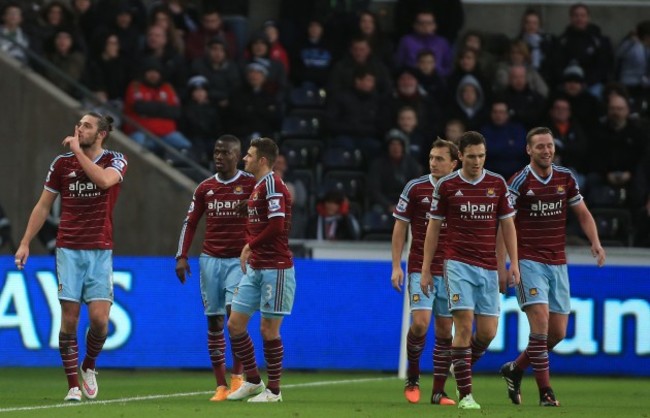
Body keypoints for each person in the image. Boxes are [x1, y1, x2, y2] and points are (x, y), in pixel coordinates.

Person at [14, 112, 127, 402]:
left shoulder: (116, 160)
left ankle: (89, 364)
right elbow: (42, 206)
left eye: (86, 126)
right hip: (69, 249)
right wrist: (25, 242)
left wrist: (78, 152)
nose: (79, 129)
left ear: (101, 134)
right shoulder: (61, 164)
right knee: (70, 319)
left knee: (100, 320)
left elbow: (103, 181)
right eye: (78, 125)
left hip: (100, 249)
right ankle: (72, 385)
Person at [498, 126, 606, 407]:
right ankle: (546, 393)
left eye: (549, 145)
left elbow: (582, 212)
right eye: (540, 146)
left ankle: (516, 368)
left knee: (558, 333)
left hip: (558, 262)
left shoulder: (565, 177)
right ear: (529, 150)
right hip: (528, 260)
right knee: (542, 326)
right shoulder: (519, 182)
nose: (546, 150)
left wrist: (595, 241)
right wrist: (505, 264)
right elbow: (504, 224)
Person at [421, 130, 520, 410]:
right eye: (472, 156)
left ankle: (459, 363)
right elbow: (433, 228)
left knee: (487, 332)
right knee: (463, 325)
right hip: (457, 264)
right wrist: (427, 268)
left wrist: (513, 264)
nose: (477, 161)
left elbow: (508, 226)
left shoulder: (497, 184)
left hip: (488, 267)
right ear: (460, 156)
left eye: (482, 156)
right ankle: (466, 395)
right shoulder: (448, 186)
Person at [174, 135, 256, 402]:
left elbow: (272, 214)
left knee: (234, 319)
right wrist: (181, 256)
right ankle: (220, 385)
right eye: (216, 151)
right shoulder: (205, 188)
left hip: (238, 261)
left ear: (237, 155)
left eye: (225, 152)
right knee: (214, 321)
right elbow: (191, 222)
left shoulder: (251, 185)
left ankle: (237, 379)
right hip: (210, 261)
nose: (219, 156)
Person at [226, 137, 296, 403]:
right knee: (235, 324)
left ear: (263, 160)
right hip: (256, 268)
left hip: (275, 268)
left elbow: (277, 226)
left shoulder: (273, 185)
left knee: (269, 330)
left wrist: (249, 246)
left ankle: (274, 391)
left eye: (249, 155)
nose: (245, 158)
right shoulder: (258, 187)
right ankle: (254, 381)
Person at [391, 139, 459, 406]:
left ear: (454, 163)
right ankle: (413, 378)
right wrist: (396, 265)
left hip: (453, 269)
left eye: (440, 158)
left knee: (445, 331)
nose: (433, 162)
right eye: (431, 157)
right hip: (421, 266)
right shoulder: (416, 187)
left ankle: (438, 391)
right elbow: (399, 227)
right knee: (420, 323)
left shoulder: (460, 190)